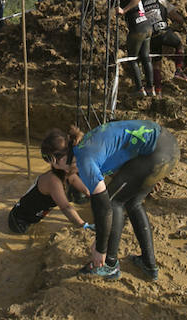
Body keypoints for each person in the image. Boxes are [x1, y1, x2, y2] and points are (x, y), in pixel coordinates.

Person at [69, 120, 179, 281]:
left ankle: (110, 265)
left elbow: (104, 206)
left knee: (113, 202)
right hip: (166, 146)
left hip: (155, 153)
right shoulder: (90, 144)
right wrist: (148, 176)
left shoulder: (86, 160)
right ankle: (149, 264)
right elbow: (122, 166)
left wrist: (101, 244)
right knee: (133, 202)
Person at [8, 129, 93, 234]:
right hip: (19, 221)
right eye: (75, 162)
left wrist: (91, 193)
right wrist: (83, 225)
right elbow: (66, 207)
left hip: (34, 215)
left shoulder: (66, 172)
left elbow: (74, 179)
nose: (79, 164)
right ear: (56, 161)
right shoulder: (53, 181)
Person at [145, 0, 187, 95]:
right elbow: (174, 15)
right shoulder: (162, 1)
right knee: (179, 44)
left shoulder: (144, 4)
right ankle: (178, 70)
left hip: (152, 37)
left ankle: (158, 91)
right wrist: (183, 21)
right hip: (163, 32)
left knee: (156, 65)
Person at [118, 0, 154, 97]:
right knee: (145, 57)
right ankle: (150, 88)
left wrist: (123, 10)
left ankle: (139, 89)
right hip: (146, 26)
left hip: (138, 28)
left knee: (132, 58)